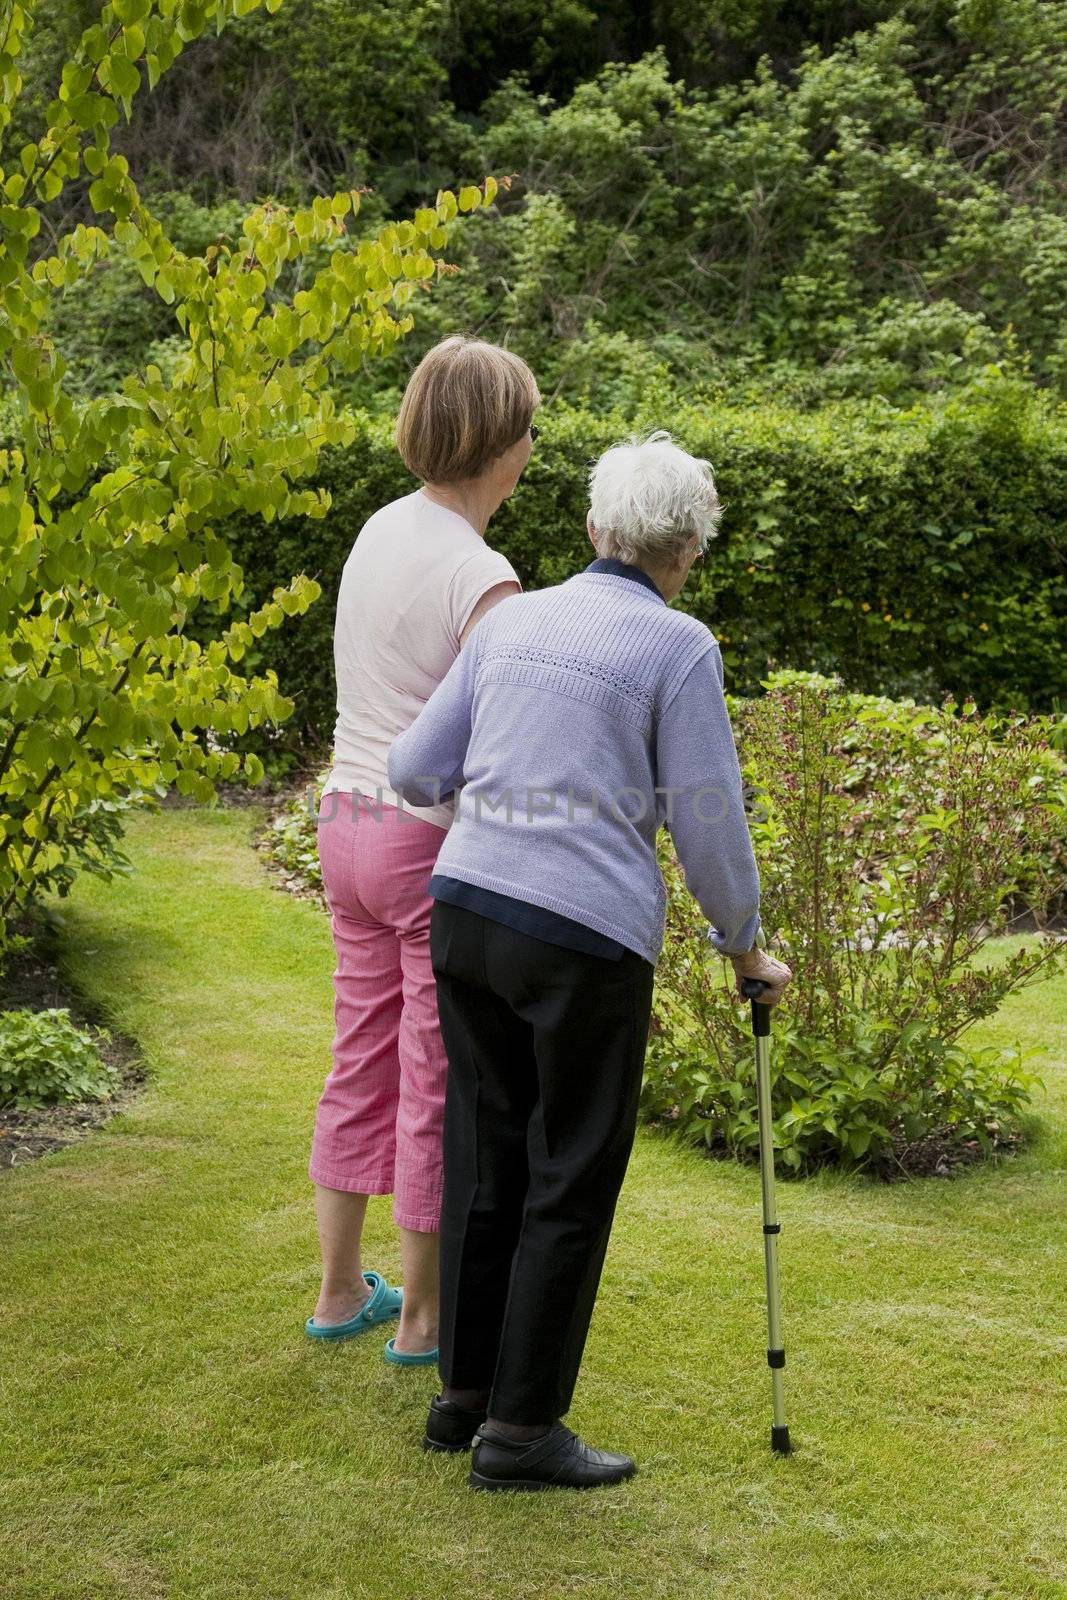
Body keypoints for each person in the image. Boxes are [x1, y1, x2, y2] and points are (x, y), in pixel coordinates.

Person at [388, 431, 792, 1488]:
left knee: (486, 1158)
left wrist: (495, 821)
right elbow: (707, 819)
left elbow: (413, 767)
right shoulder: (676, 646)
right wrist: (744, 946)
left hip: (467, 912)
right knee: (567, 1171)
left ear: (591, 528)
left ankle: (462, 1397)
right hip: (580, 937)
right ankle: (519, 1432)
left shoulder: (512, 620)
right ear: (687, 551)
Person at [305, 335, 539, 1365]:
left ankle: (336, 1288)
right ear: (497, 444)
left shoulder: (377, 531)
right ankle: (421, 1319)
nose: (532, 446)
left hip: (340, 826)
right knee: (432, 1073)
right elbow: (507, 742)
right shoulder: (483, 577)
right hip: (419, 843)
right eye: (526, 427)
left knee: (357, 1055)